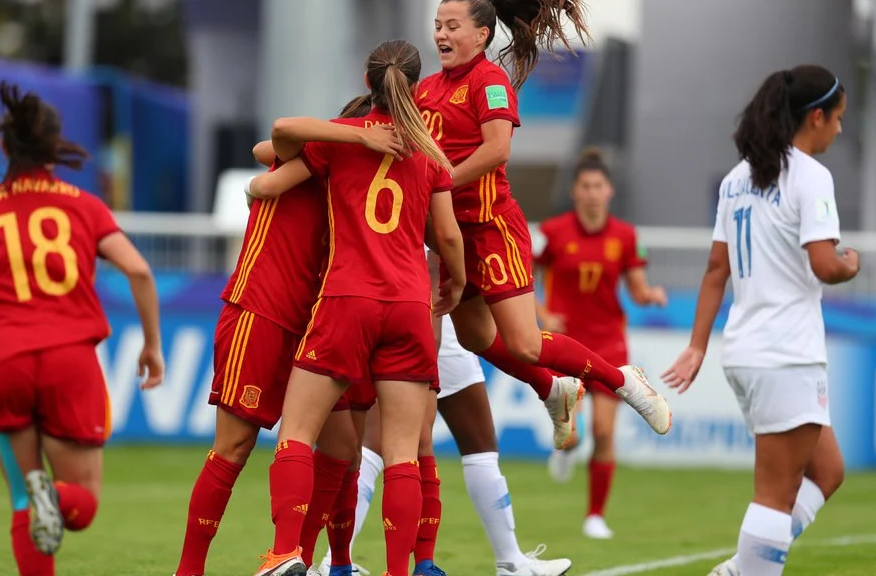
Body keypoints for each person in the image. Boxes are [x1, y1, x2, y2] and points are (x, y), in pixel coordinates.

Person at [246, 39, 466, 576]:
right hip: (411, 306)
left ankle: (284, 555)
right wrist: (454, 285)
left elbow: (267, 175)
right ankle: (397, 571)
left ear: (366, 85)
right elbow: (450, 239)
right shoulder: (431, 155)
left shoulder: (341, 142)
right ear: (415, 88)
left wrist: (256, 185)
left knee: (296, 432)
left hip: (347, 300)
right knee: (403, 455)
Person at [417, 0, 672, 455]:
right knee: (476, 337)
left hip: (491, 229)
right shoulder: (426, 90)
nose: (441, 35)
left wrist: (439, 183)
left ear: (480, 35)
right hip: (449, 237)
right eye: (437, 26)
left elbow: (496, 150)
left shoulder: (489, 81)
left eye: (452, 26)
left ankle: (622, 381)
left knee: (525, 343)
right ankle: (553, 391)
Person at [0, 81, 165, 576]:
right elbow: (140, 271)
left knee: (25, 501)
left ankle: (38, 491)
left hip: (0, 359)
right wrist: (152, 345)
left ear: (4, 146)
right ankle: (55, 494)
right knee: (80, 504)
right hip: (69, 358)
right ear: (54, 147)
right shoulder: (83, 206)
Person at [172, 109, 400, 576]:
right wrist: (356, 136)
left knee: (342, 446)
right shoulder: (319, 155)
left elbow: (265, 159)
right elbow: (276, 138)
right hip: (259, 310)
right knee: (234, 446)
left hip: (316, 322)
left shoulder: (352, 179)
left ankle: (311, 561)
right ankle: (188, 570)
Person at [661, 65, 854, 576]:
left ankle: (739, 568)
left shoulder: (737, 177)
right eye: (837, 119)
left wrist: (698, 345)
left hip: (748, 351)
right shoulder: (811, 176)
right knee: (774, 493)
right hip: (785, 353)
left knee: (828, 471)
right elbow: (825, 264)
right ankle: (749, 569)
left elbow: (715, 269)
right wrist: (851, 262)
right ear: (815, 117)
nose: (839, 129)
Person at [317, 252, 574, 576]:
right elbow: (439, 249)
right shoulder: (453, 205)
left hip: (435, 314)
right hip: (418, 308)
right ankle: (336, 559)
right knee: (386, 439)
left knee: (476, 441)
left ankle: (510, 561)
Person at [534, 148, 668, 540]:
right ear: (575, 192)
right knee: (571, 434)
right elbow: (524, 273)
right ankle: (568, 448)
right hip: (564, 344)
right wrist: (542, 311)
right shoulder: (554, 232)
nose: (592, 193)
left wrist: (651, 295)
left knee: (605, 433)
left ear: (609, 191)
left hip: (608, 343)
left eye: (598, 186)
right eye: (585, 186)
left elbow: (638, 289)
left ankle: (595, 516)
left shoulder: (626, 237)